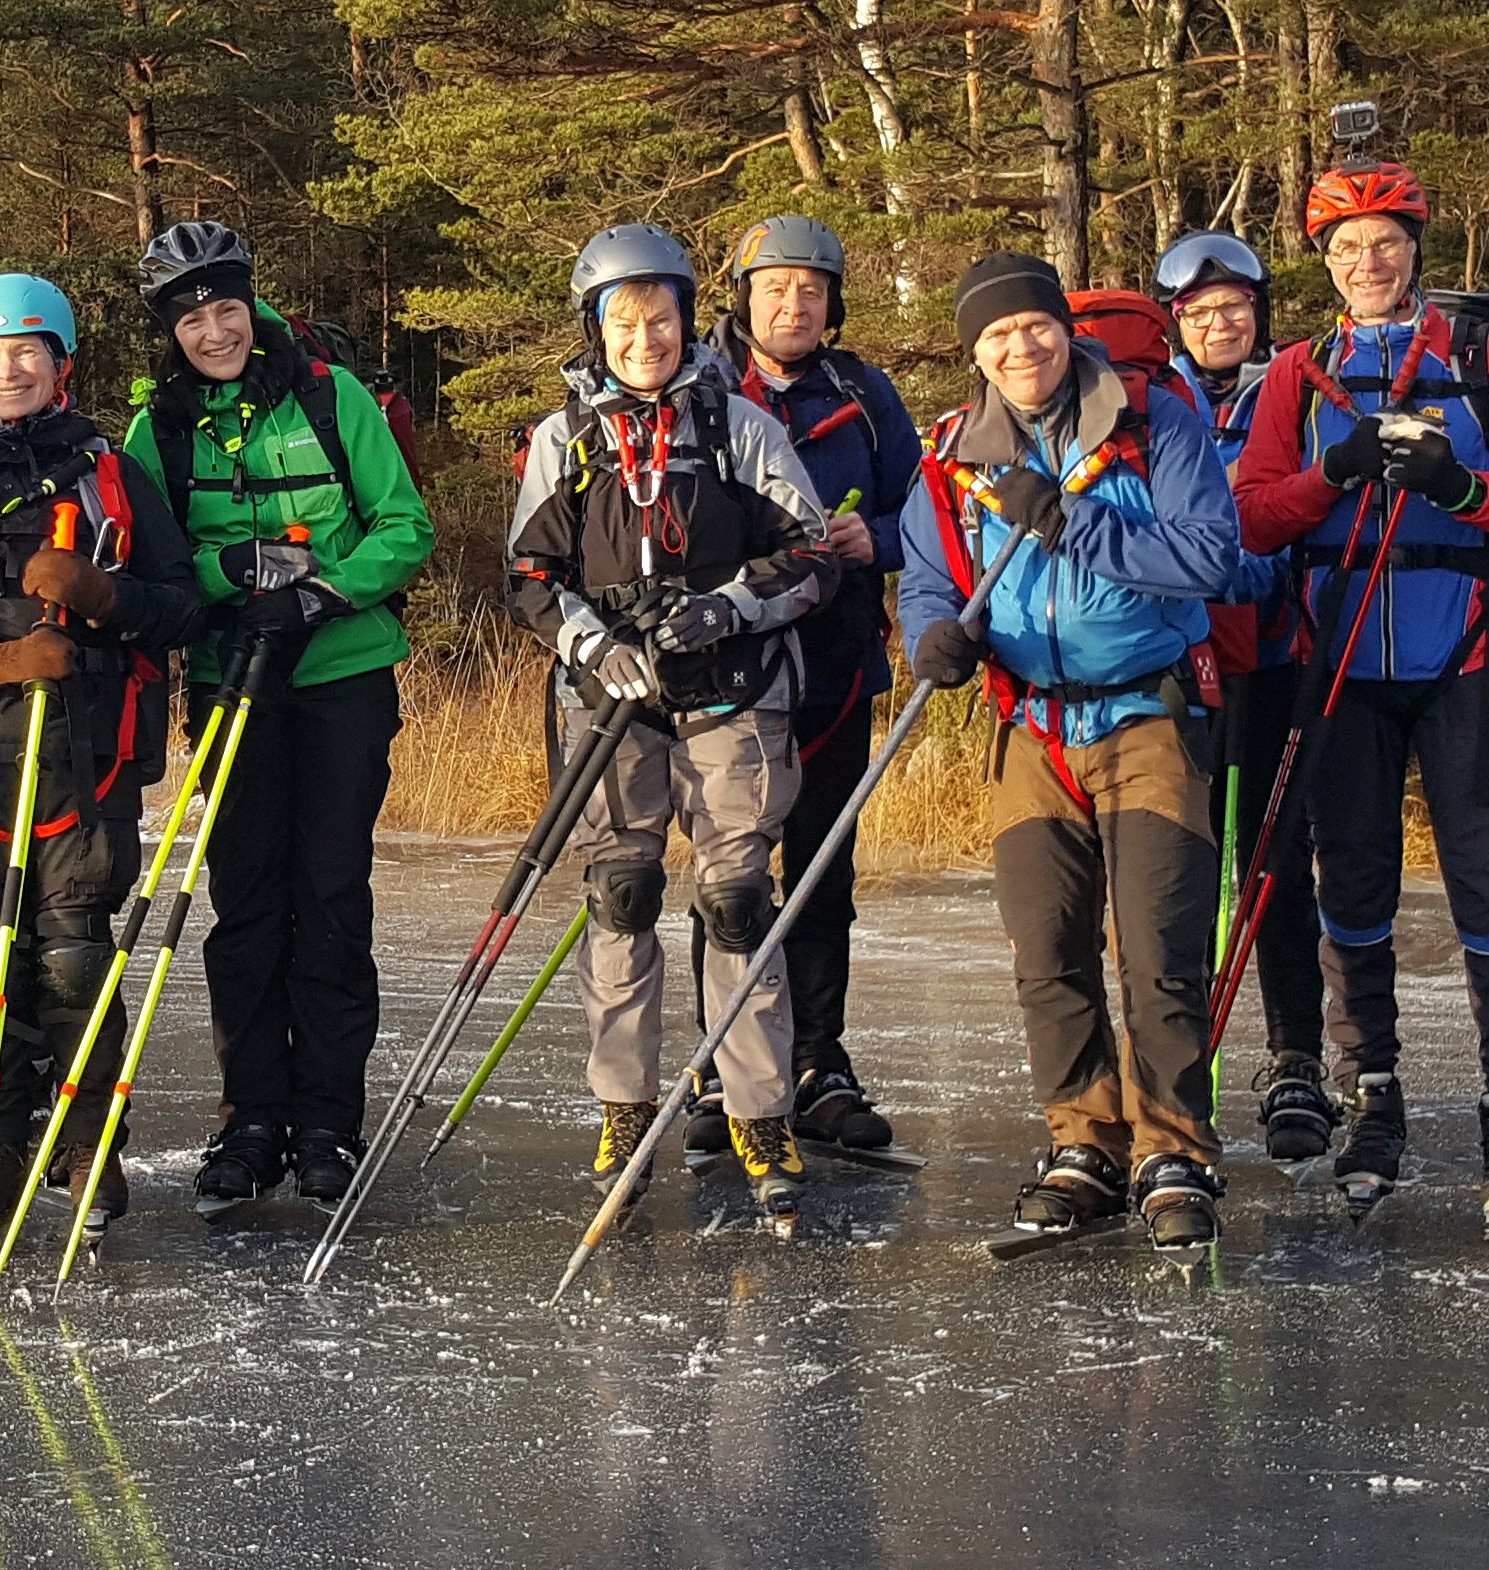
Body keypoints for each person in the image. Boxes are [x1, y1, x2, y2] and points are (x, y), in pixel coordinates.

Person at [1225, 160, 1489, 1232]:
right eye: (1344, 249)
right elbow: (1252, 520)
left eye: (1382, 242)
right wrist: (1331, 472)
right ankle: (1371, 1098)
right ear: (1324, 266)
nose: (1366, 263)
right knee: (1350, 889)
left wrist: (1458, 488)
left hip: (1464, 658)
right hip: (1338, 659)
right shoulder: (1295, 375)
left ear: (1413, 250)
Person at [898, 253, 1243, 1246]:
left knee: (1157, 948)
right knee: (1046, 947)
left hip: (1146, 717)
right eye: (996, 336)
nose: (1020, 347)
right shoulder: (951, 453)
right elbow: (929, 576)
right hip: (1030, 724)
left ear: (1063, 329)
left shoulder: (1150, 424)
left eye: (1033, 327)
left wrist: (1066, 523)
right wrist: (932, 639)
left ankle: (1172, 1150)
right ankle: (1082, 1143)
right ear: (974, 351)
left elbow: (1207, 557)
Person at [502, 224, 837, 1225]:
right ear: (593, 328)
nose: (643, 337)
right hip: (612, 707)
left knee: (736, 900)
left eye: (659, 316)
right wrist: (592, 646)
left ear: (689, 318)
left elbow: (810, 555)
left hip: (729, 696)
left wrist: (724, 605)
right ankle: (625, 1106)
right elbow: (527, 576)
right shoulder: (563, 441)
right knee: (622, 892)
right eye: (621, 319)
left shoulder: (736, 426)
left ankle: (757, 1112)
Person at [0, 272, 201, 1238]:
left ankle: (91, 1155)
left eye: (27, 351)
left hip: (86, 757)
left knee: (70, 962)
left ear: (61, 364)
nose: (7, 369)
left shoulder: (112, 474)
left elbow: (179, 605)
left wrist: (105, 601)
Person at [125, 219, 435, 1214]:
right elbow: (153, 567)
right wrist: (234, 574)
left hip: (339, 675)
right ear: (167, 330)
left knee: (330, 896)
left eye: (226, 308)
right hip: (231, 681)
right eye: (191, 317)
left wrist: (322, 591)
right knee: (246, 901)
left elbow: (404, 524)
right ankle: (250, 1115)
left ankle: (326, 1122)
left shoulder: (327, 393)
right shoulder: (158, 428)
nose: (213, 331)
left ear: (250, 304)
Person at [707, 213, 916, 1168]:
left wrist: (880, 535)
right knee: (732, 872)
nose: (794, 305)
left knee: (822, 863)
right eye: (775, 287)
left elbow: (930, 506)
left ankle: (818, 1061)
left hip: (834, 663)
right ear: (742, 297)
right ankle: (728, 1067)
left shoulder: (864, 394)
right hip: (733, 668)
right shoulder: (701, 388)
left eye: (812, 290)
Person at [1160, 228, 1330, 1160]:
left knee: (1272, 863)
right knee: (1182, 866)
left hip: (1271, 658)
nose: (1221, 325)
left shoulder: (1291, 393)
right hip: (1185, 665)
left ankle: (1295, 1054)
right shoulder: (1153, 401)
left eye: (1236, 309)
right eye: (1200, 313)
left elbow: (1298, 515)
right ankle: (1179, 1062)